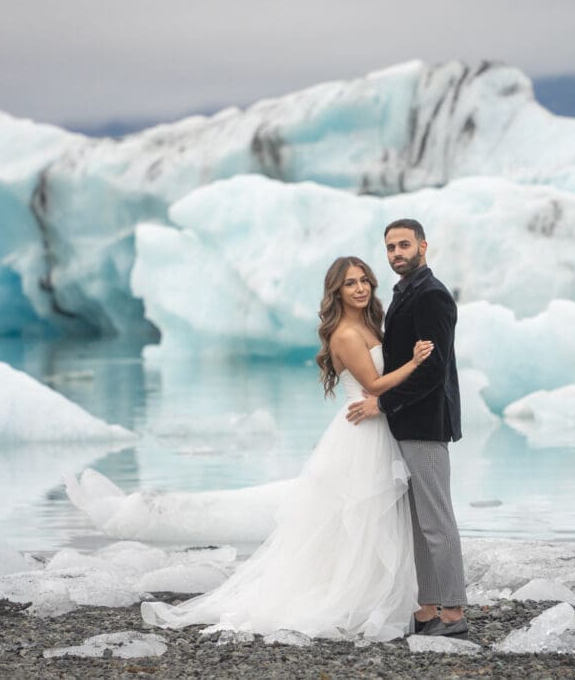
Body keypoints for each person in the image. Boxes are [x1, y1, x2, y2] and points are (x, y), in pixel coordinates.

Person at [141, 256, 431, 641]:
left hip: (378, 427)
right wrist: (414, 362)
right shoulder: (346, 333)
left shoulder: (367, 324)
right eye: (350, 283)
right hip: (361, 433)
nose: (360, 288)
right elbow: (374, 386)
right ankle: (352, 599)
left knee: (378, 520)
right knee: (359, 520)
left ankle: (378, 596)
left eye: (364, 281)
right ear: (336, 292)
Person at [347, 218, 467, 637]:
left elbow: (433, 371)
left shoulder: (432, 296)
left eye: (404, 245)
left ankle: (453, 613)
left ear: (423, 246)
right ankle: (427, 607)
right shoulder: (406, 292)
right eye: (391, 248)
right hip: (407, 422)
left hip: (425, 422)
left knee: (436, 519)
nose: (397, 253)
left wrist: (383, 402)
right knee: (420, 522)